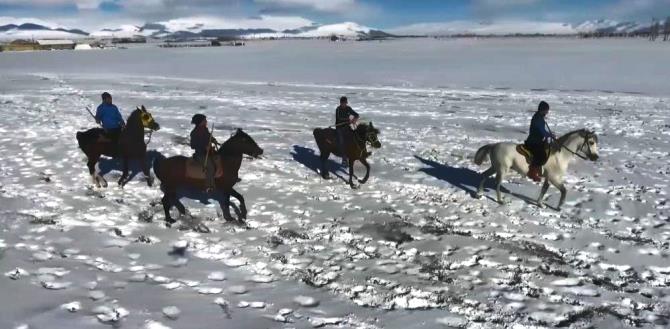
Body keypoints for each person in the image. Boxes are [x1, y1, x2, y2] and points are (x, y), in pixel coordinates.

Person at [525, 101, 555, 182]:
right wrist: (549, 135)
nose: (547, 112)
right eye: (546, 110)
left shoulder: (540, 117)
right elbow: (541, 131)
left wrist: (549, 134)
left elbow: (542, 130)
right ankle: (532, 172)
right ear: (543, 110)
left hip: (539, 140)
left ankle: (540, 170)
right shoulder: (537, 118)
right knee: (541, 156)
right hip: (534, 141)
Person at [190, 114, 218, 192]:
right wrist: (204, 147)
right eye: (205, 120)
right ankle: (208, 186)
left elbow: (209, 137)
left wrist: (213, 140)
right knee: (210, 167)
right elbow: (193, 145)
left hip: (208, 152)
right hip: (201, 154)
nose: (206, 121)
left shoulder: (205, 129)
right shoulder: (194, 133)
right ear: (200, 122)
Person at [335, 96, 359, 165]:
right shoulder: (338, 109)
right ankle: (344, 159)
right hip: (339, 127)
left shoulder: (348, 108)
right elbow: (339, 118)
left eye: (345, 103)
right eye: (343, 103)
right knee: (342, 142)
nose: (344, 104)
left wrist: (355, 119)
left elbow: (356, 114)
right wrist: (348, 121)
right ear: (340, 103)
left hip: (347, 127)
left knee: (354, 138)